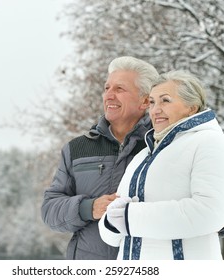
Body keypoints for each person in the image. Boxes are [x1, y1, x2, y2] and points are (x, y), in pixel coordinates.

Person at [99, 70, 224, 260]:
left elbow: (210, 213)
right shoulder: (143, 156)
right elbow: (113, 233)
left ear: (191, 107)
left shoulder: (211, 142)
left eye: (165, 100)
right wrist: (110, 223)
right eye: (152, 102)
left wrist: (129, 217)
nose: (155, 110)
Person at [41, 56, 159, 259]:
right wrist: (88, 208)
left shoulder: (164, 146)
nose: (109, 96)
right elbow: (50, 211)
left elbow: (207, 208)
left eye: (119, 89)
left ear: (145, 101)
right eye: (107, 88)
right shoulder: (77, 149)